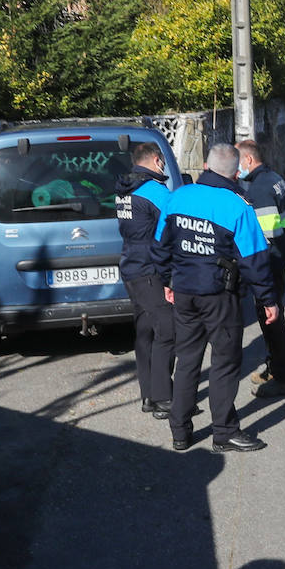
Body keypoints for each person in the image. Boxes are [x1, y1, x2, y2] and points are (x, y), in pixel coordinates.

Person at [154, 143, 279, 453]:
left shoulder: (177, 196)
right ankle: (224, 432)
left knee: (188, 360)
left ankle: (180, 431)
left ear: (205, 167)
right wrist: (267, 299)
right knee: (224, 363)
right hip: (219, 297)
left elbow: (159, 245)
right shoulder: (237, 206)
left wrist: (167, 280)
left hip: (184, 293)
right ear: (236, 172)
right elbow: (255, 260)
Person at [236, 140, 285, 398]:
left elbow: (271, 233)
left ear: (248, 160)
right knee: (273, 318)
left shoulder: (259, 188)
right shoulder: (276, 179)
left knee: (271, 320)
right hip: (280, 260)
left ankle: (283, 376)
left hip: (269, 263)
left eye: (238, 162)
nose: (236, 169)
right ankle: (275, 367)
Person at [115, 142, 176, 418]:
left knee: (145, 332)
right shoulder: (154, 191)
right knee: (167, 330)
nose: (162, 165)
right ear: (155, 159)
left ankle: (149, 396)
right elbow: (172, 227)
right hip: (150, 270)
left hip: (130, 266)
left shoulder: (125, 189)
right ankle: (164, 398)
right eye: (161, 160)